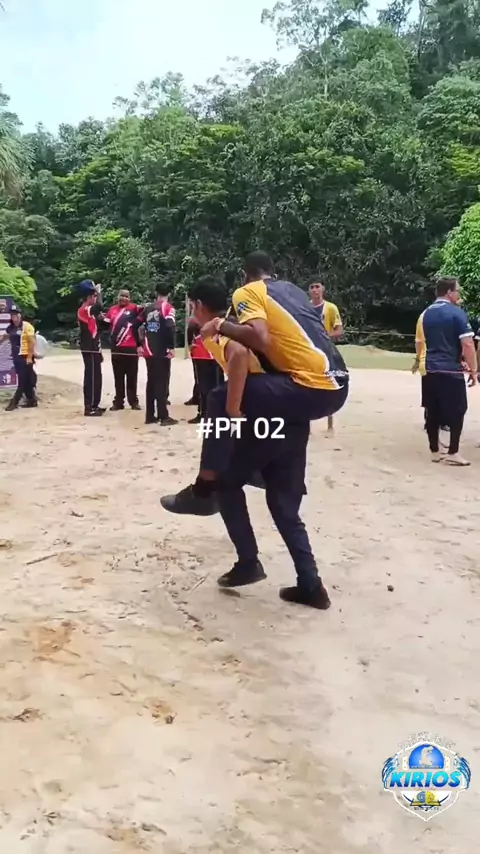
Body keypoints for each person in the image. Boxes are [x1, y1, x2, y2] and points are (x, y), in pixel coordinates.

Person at [161, 252, 348, 590]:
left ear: (198, 305)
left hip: (283, 406)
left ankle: (207, 491)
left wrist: (233, 410)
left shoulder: (226, 325)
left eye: (190, 306)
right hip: (301, 405)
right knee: (283, 504)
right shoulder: (288, 294)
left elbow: (239, 353)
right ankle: (310, 584)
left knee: (220, 415)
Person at [415, 277, 477, 466]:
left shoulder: (425, 314)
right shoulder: (456, 313)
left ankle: (435, 450)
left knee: (432, 409)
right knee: (458, 409)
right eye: (457, 291)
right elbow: (467, 344)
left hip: (430, 368)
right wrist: (473, 369)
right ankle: (453, 452)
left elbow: (420, 341)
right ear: (449, 292)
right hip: (450, 369)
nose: (459, 294)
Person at [135, 285, 178, 426]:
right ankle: (163, 416)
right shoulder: (168, 308)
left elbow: (135, 324)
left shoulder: (148, 308)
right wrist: (171, 346)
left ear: (156, 293)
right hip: (161, 349)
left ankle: (150, 415)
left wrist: (139, 344)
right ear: (169, 293)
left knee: (152, 381)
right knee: (162, 382)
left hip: (148, 348)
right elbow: (170, 326)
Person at [308, 276, 343, 435]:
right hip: (309, 350)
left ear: (323, 288)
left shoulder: (330, 308)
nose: (314, 290)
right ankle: (307, 424)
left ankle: (330, 425)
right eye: (312, 287)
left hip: (326, 352)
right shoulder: (305, 307)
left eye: (317, 286)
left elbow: (339, 330)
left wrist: (323, 337)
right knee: (307, 384)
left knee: (329, 383)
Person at [104, 289, 142, 411]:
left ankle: (133, 402)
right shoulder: (112, 310)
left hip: (131, 348)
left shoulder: (134, 308)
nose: (124, 298)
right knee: (118, 377)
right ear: (118, 296)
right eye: (122, 296)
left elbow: (145, 314)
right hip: (116, 348)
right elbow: (105, 324)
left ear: (129, 298)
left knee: (132, 376)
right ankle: (118, 402)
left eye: (126, 296)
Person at [77, 280, 107, 417]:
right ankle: (89, 407)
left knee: (97, 377)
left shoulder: (91, 313)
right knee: (91, 377)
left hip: (94, 348)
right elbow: (99, 306)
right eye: (94, 296)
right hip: (88, 348)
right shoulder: (84, 310)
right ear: (88, 297)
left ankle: (95, 404)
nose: (95, 298)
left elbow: (101, 328)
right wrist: (99, 293)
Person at [188, 314, 224, 425]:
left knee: (203, 386)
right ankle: (215, 413)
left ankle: (203, 414)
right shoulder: (219, 317)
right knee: (216, 385)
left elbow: (191, 328)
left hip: (201, 353)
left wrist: (190, 344)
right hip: (214, 353)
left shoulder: (198, 317)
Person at [0, 306, 37, 411]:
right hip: (16, 357)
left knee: (22, 381)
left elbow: (32, 342)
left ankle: (14, 402)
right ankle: (32, 400)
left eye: (16, 314)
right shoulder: (11, 328)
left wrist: (29, 357)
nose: (14, 316)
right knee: (27, 380)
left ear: (20, 315)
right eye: (12, 314)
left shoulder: (26, 326)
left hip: (25, 357)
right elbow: (5, 337)